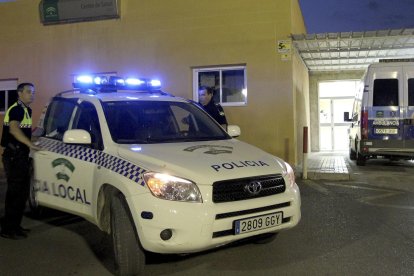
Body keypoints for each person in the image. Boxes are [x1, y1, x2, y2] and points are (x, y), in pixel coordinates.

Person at [0, 82, 40, 239]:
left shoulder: (26, 110)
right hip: (14, 156)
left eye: (33, 92)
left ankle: (15, 226)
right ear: (19, 93)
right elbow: (14, 129)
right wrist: (30, 144)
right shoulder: (16, 109)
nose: (32, 94)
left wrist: (34, 140)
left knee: (22, 193)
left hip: (21, 156)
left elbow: (24, 131)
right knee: (14, 193)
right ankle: (7, 230)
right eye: (29, 92)